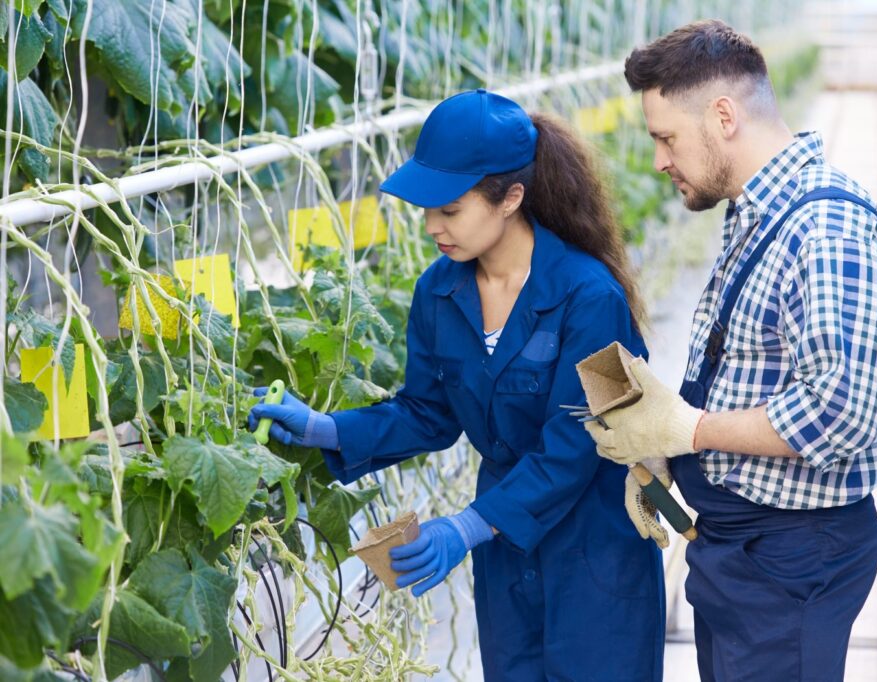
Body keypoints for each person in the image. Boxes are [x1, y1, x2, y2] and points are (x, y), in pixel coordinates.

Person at [248, 89, 665, 681]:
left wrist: (467, 526)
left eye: (450, 209)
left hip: (592, 548)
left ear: (510, 198)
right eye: (426, 210)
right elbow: (429, 412)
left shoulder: (589, 296)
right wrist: (329, 428)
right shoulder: (439, 292)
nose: (432, 227)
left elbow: (574, 443)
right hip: (505, 552)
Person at [583, 20, 877, 682]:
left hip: (792, 559)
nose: (659, 160)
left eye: (666, 137)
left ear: (723, 115)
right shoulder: (757, 212)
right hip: (748, 553)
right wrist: (669, 459)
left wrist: (692, 429)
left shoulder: (827, 228)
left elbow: (841, 412)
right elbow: (742, 365)